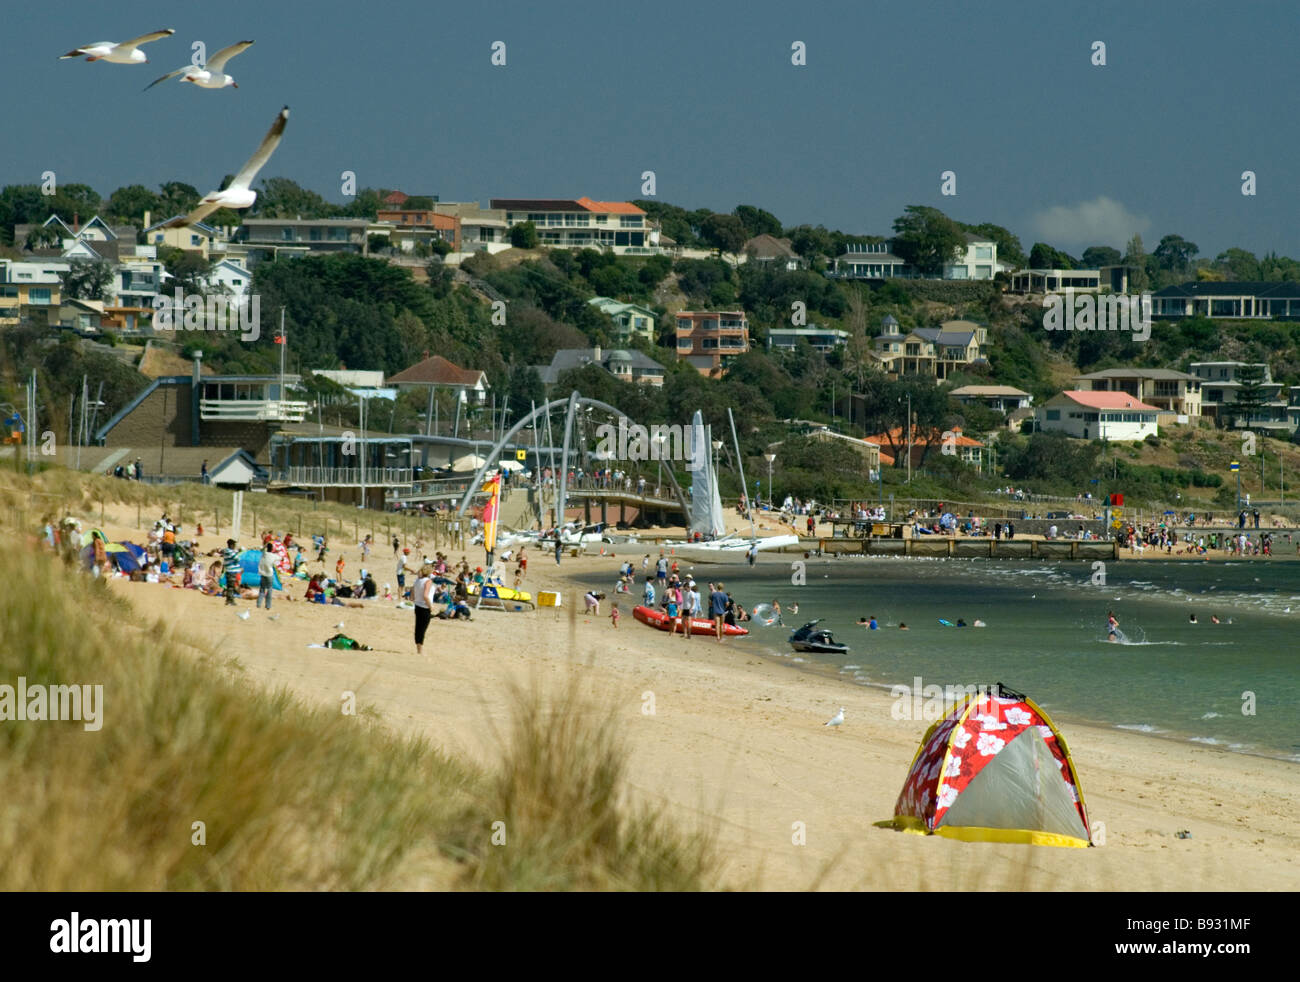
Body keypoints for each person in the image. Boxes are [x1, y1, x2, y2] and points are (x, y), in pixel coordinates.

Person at [413, 565, 436, 656]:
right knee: (422, 629)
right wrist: (431, 606)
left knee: (418, 628)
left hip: (417, 605)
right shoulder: (428, 581)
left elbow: (412, 595)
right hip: (425, 607)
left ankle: (418, 649)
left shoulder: (417, 580)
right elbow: (426, 596)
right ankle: (420, 651)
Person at [221, 538, 241, 606]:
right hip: (231, 571)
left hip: (230, 571)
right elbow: (237, 558)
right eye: (234, 544)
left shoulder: (227, 551)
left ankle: (229, 600)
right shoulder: (230, 551)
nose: (235, 546)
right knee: (231, 586)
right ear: (231, 545)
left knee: (230, 586)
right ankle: (230, 600)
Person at [257, 542, 276, 610]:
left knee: (262, 589)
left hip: (262, 573)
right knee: (269, 589)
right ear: (272, 549)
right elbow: (281, 558)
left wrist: (265, 546)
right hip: (269, 574)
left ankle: (259, 604)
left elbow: (261, 549)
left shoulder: (264, 554)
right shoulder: (273, 555)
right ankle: (268, 606)